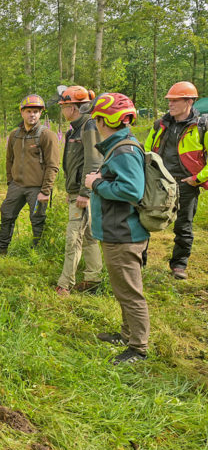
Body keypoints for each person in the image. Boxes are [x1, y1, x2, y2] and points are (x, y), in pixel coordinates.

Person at [84, 92, 149, 365]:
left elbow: (132, 190)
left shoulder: (123, 149)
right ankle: (126, 334)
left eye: (98, 118)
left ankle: (138, 348)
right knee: (122, 288)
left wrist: (96, 184)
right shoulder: (122, 144)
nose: (97, 124)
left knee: (130, 293)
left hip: (124, 233)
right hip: (118, 230)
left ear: (103, 121)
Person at [143, 81, 208, 280]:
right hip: (159, 183)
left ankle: (179, 265)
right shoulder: (160, 124)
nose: (170, 104)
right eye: (169, 100)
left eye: (175, 100)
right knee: (145, 221)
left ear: (189, 101)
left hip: (186, 184)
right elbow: (146, 152)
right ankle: (139, 261)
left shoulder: (201, 126)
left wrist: (197, 179)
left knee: (183, 227)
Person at [0, 94, 60, 254]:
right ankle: (0, 249)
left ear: (40, 113)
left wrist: (45, 190)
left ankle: (37, 253)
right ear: (22, 112)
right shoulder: (14, 135)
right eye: (29, 111)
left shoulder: (47, 135)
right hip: (17, 186)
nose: (32, 114)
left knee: (37, 220)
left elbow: (53, 165)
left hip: (37, 189)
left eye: (36, 111)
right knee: (6, 213)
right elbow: (9, 160)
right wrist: (10, 182)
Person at [54, 86, 104, 296]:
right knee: (90, 236)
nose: (62, 110)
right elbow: (74, 162)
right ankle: (94, 278)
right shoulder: (74, 128)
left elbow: (93, 160)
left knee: (73, 237)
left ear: (73, 108)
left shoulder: (89, 126)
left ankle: (65, 284)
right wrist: (73, 189)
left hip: (85, 193)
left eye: (64, 106)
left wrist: (84, 192)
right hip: (78, 191)